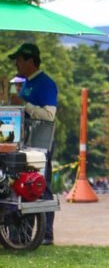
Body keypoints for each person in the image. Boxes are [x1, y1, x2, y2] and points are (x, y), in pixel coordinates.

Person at [9, 43, 58, 245]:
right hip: (26, 141)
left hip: (41, 141)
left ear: (30, 61)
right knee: (24, 185)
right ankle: (23, 234)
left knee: (40, 185)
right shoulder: (26, 83)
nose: (17, 64)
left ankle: (46, 233)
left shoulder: (45, 83)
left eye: (19, 60)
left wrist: (24, 105)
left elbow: (49, 115)